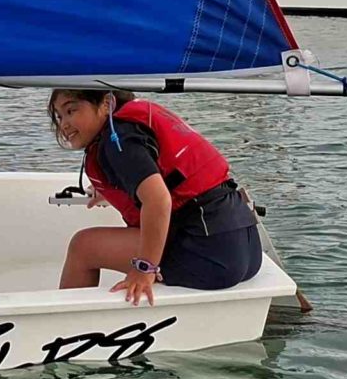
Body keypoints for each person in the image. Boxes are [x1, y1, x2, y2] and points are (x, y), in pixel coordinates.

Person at [49, 88, 262, 303]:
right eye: (59, 116)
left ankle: (65, 322)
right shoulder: (130, 128)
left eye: (71, 111)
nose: (64, 124)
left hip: (210, 254)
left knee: (83, 247)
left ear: (107, 104)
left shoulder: (118, 141)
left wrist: (145, 269)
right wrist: (113, 189)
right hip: (246, 248)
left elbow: (158, 200)